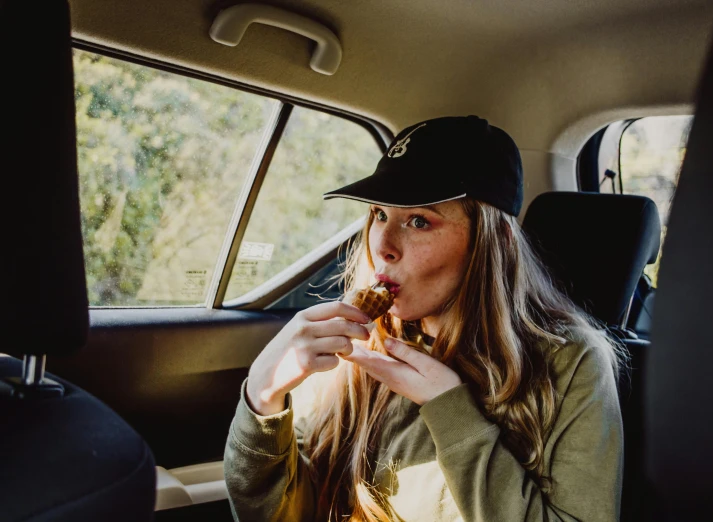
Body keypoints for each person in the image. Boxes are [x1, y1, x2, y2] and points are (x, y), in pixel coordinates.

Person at [224, 116, 624, 522]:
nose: (382, 245)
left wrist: (450, 411)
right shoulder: (351, 344)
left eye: (419, 221)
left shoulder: (570, 362)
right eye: (379, 214)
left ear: (493, 244)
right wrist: (262, 398)